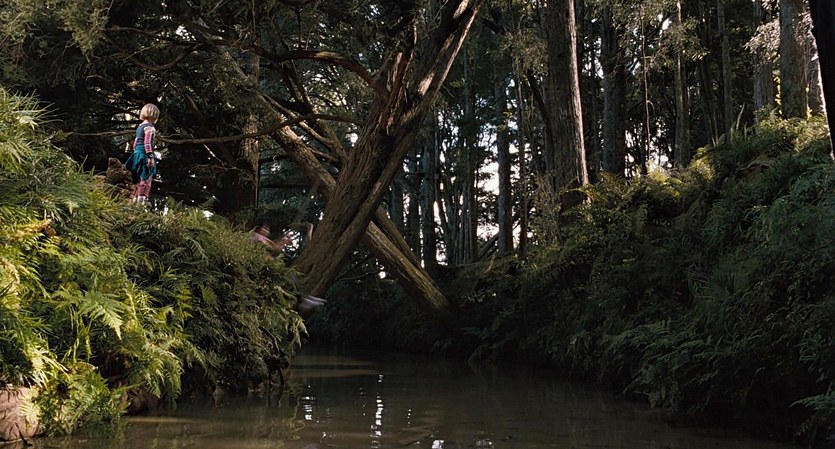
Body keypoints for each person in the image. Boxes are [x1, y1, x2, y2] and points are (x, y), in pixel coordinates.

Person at [125, 103, 160, 204]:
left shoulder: (140, 127)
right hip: (144, 154)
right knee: (146, 179)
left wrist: (136, 152)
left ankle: (134, 201)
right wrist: (150, 156)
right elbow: (147, 142)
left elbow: (135, 142)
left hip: (137, 153)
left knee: (139, 179)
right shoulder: (150, 127)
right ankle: (141, 203)